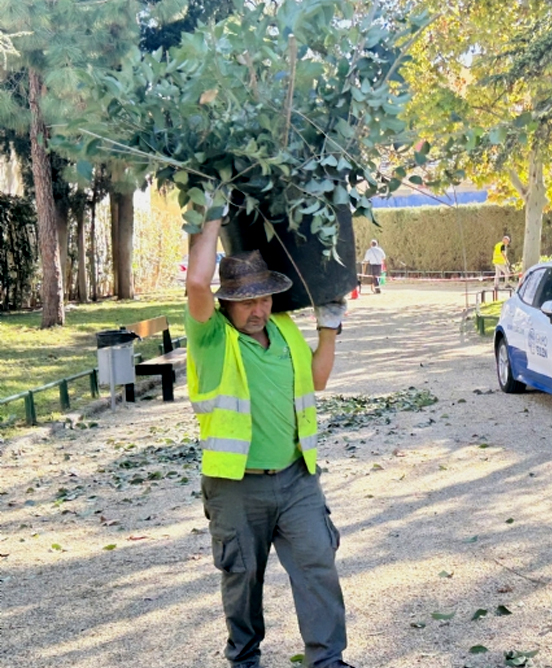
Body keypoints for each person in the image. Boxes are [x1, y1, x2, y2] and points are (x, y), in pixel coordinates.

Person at [185, 214, 355, 668]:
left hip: (297, 478)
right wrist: (210, 216)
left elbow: (316, 379)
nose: (257, 308)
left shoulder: (282, 330)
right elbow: (197, 284)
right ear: (226, 304)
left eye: (263, 297)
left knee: (318, 564)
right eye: (245, 301)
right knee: (242, 578)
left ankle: (328, 661)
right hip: (237, 487)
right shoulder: (212, 337)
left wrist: (328, 328)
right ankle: (244, 660)